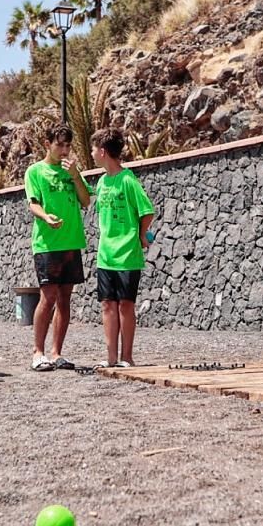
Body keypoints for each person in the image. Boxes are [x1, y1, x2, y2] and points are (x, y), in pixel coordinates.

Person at [24, 123, 89, 372]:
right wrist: (45, 217)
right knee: (47, 296)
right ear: (47, 144)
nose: (64, 150)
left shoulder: (72, 171)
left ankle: (56, 352)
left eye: (67, 145)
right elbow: (33, 203)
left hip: (72, 242)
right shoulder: (35, 171)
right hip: (47, 243)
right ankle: (37, 352)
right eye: (59, 145)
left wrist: (75, 175)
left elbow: (85, 201)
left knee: (65, 299)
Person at [91, 128, 155, 368]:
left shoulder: (128, 180)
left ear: (103, 151)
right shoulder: (101, 182)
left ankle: (127, 357)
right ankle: (111, 358)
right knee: (107, 305)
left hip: (127, 254)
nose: (92, 153)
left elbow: (147, 211)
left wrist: (140, 235)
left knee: (126, 305)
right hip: (105, 255)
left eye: (94, 148)